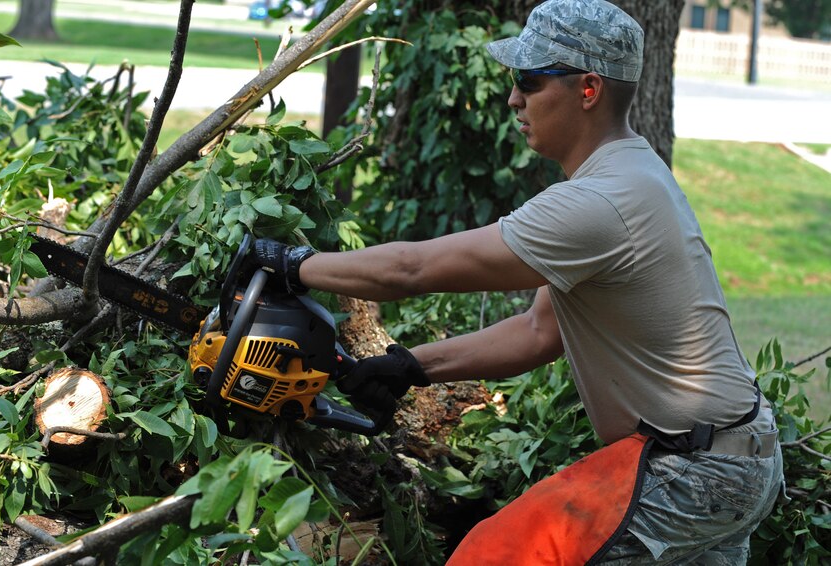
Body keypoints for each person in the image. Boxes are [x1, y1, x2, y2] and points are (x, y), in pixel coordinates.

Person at [248, 0, 784, 563]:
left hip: (694, 470)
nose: (513, 99)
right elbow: (537, 332)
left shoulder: (600, 202)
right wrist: (410, 366)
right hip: (732, 455)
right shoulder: (631, 174)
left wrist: (290, 264)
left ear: (588, 89)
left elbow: (413, 269)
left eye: (528, 82)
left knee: (492, 554)